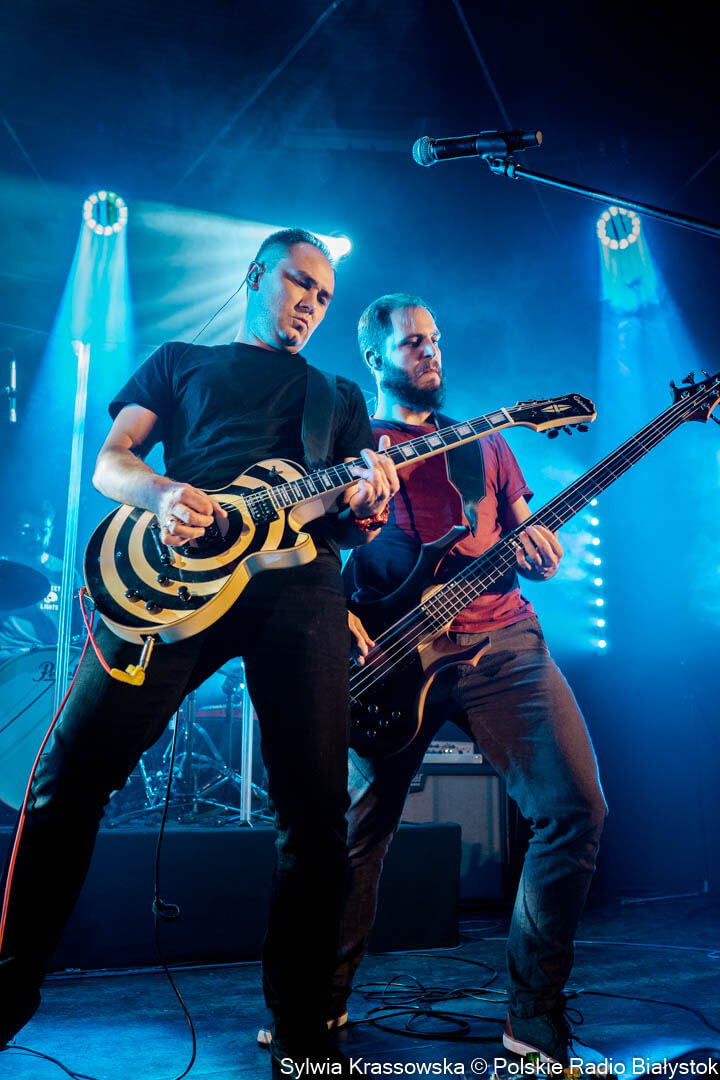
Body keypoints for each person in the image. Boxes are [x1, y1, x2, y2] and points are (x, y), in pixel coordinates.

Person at [0, 230, 399, 1074]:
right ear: (257, 275)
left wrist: (368, 504)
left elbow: (352, 519)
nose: (312, 304)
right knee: (67, 779)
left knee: (315, 815)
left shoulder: (336, 396)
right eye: (301, 283)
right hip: (174, 576)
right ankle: (8, 987)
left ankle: (302, 1031)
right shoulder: (180, 361)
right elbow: (113, 463)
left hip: (299, 587)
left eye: (325, 297)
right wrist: (161, 493)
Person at [338, 294, 608, 1068]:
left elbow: (524, 530)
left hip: (502, 639)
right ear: (376, 358)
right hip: (392, 654)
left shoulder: (486, 439)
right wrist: (339, 617)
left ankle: (533, 1012)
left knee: (576, 808)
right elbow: (315, 547)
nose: (430, 351)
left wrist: (543, 549)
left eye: (435, 339)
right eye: (413, 342)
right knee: (356, 835)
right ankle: (313, 1004)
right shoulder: (353, 445)